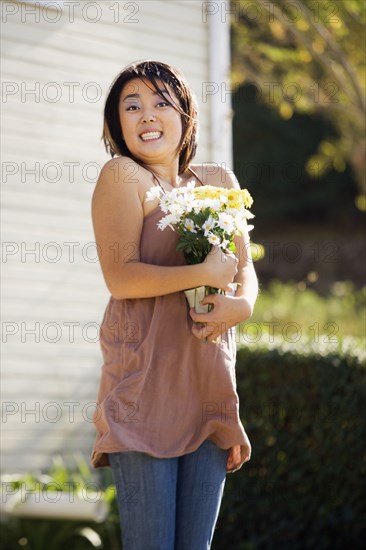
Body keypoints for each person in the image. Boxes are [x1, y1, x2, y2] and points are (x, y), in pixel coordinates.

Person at [90, 60, 258, 550]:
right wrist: (204, 275)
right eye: (132, 105)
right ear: (117, 123)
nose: (147, 114)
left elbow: (243, 268)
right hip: (145, 392)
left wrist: (242, 306)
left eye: (161, 102)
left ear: (185, 115)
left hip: (208, 386)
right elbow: (120, 278)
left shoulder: (217, 180)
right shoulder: (123, 176)